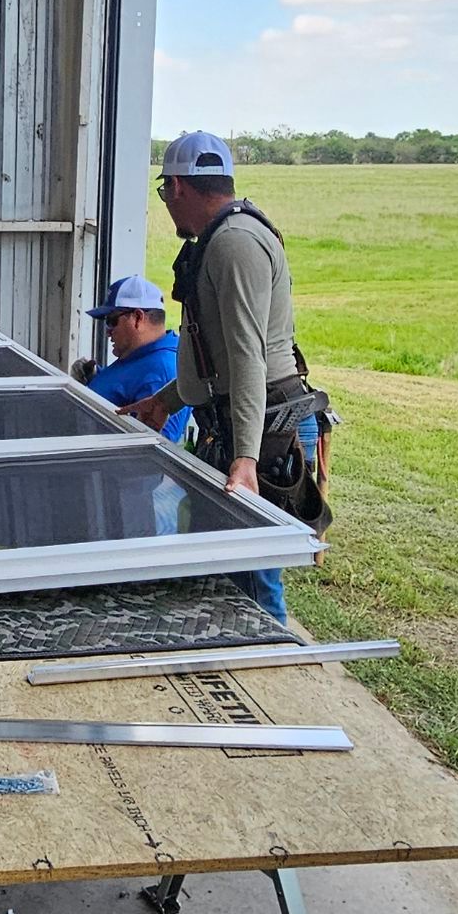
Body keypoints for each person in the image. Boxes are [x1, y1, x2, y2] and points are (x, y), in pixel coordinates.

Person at [128, 129, 324, 627]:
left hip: (260, 425)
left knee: (252, 575)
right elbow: (214, 361)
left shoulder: (234, 243)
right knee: (225, 565)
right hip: (239, 416)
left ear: (177, 187)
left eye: (164, 193)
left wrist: (245, 459)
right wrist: (166, 402)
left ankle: (273, 664)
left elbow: (247, 357)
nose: (167, 205)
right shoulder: (218, 238)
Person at [76, 274, 188, 441]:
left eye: (112, 320)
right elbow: (127, 385)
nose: (107, 330)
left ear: (137, 317)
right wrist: (94, 379)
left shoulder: (161, 370)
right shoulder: (141, 353)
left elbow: (158, 452)